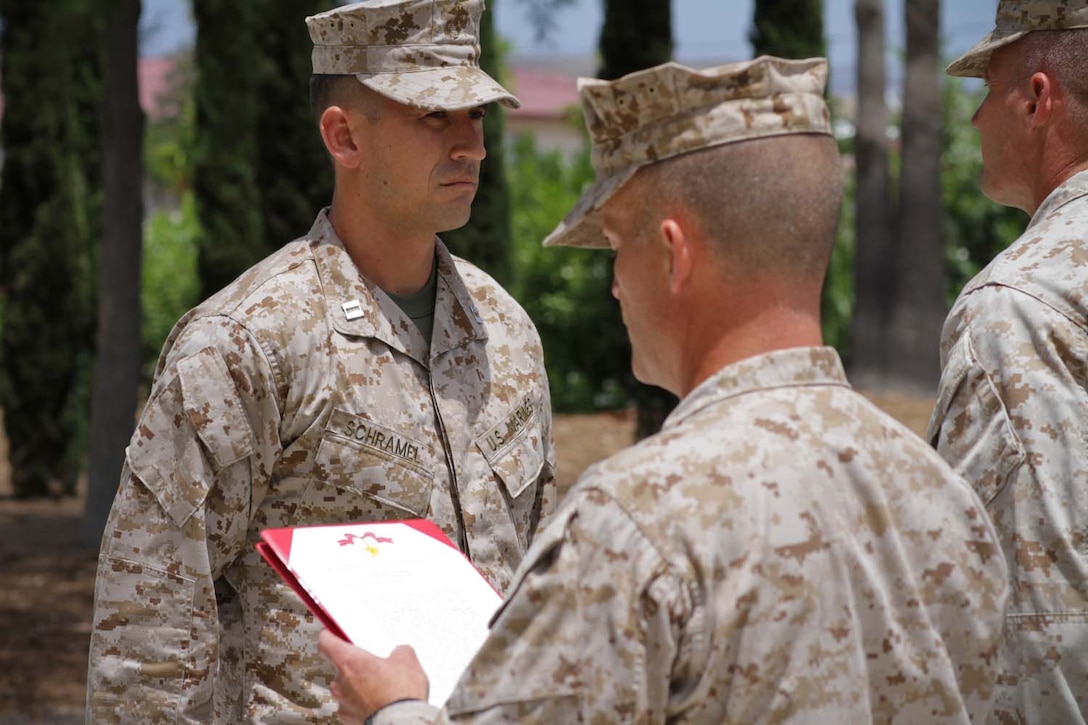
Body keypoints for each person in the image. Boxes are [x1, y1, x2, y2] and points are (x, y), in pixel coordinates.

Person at [316, 56, 1010, 725]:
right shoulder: (944, 498)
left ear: (675, 254)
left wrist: (394, 706)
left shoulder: (634, 522)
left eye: (618, 244)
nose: (616, 283)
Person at [85, 1, 556, 721]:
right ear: (343, 137)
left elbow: (540, 592)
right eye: (436, 117)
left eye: (478, 117)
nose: (472, 146)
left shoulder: (507, 334)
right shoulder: (246, 343)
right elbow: (149, 644)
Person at [927, 1, 1088, 721]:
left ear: (1036, 98)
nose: (975, 121)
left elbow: (1040, 627)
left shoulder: (1017, 304)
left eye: (987, 90)